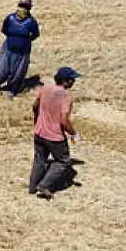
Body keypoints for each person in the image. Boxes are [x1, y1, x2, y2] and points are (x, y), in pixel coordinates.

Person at [30, 66, 81, 199]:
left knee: (39, 160)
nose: (73, 82)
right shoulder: (65, 97)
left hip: (39, 132)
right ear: (65, 81)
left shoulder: (45, 88)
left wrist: (37, 120)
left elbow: (35, 106)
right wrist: (74, 134)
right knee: (63, 161)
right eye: (72, 79)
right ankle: (44, 185)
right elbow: (64, 121)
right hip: (54, 137)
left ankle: (32, 187)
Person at [0, 0, 41, 98]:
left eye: (26, 7)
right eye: (21, 6)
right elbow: (4, 30)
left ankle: (12, 90)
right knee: (2, 70)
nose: (23, 9)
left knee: (18, 73)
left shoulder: (31, 22)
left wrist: (26, 41)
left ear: (30, 8)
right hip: (8, 48)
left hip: (23, 51)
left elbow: (35, 34)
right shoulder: (10, 18)